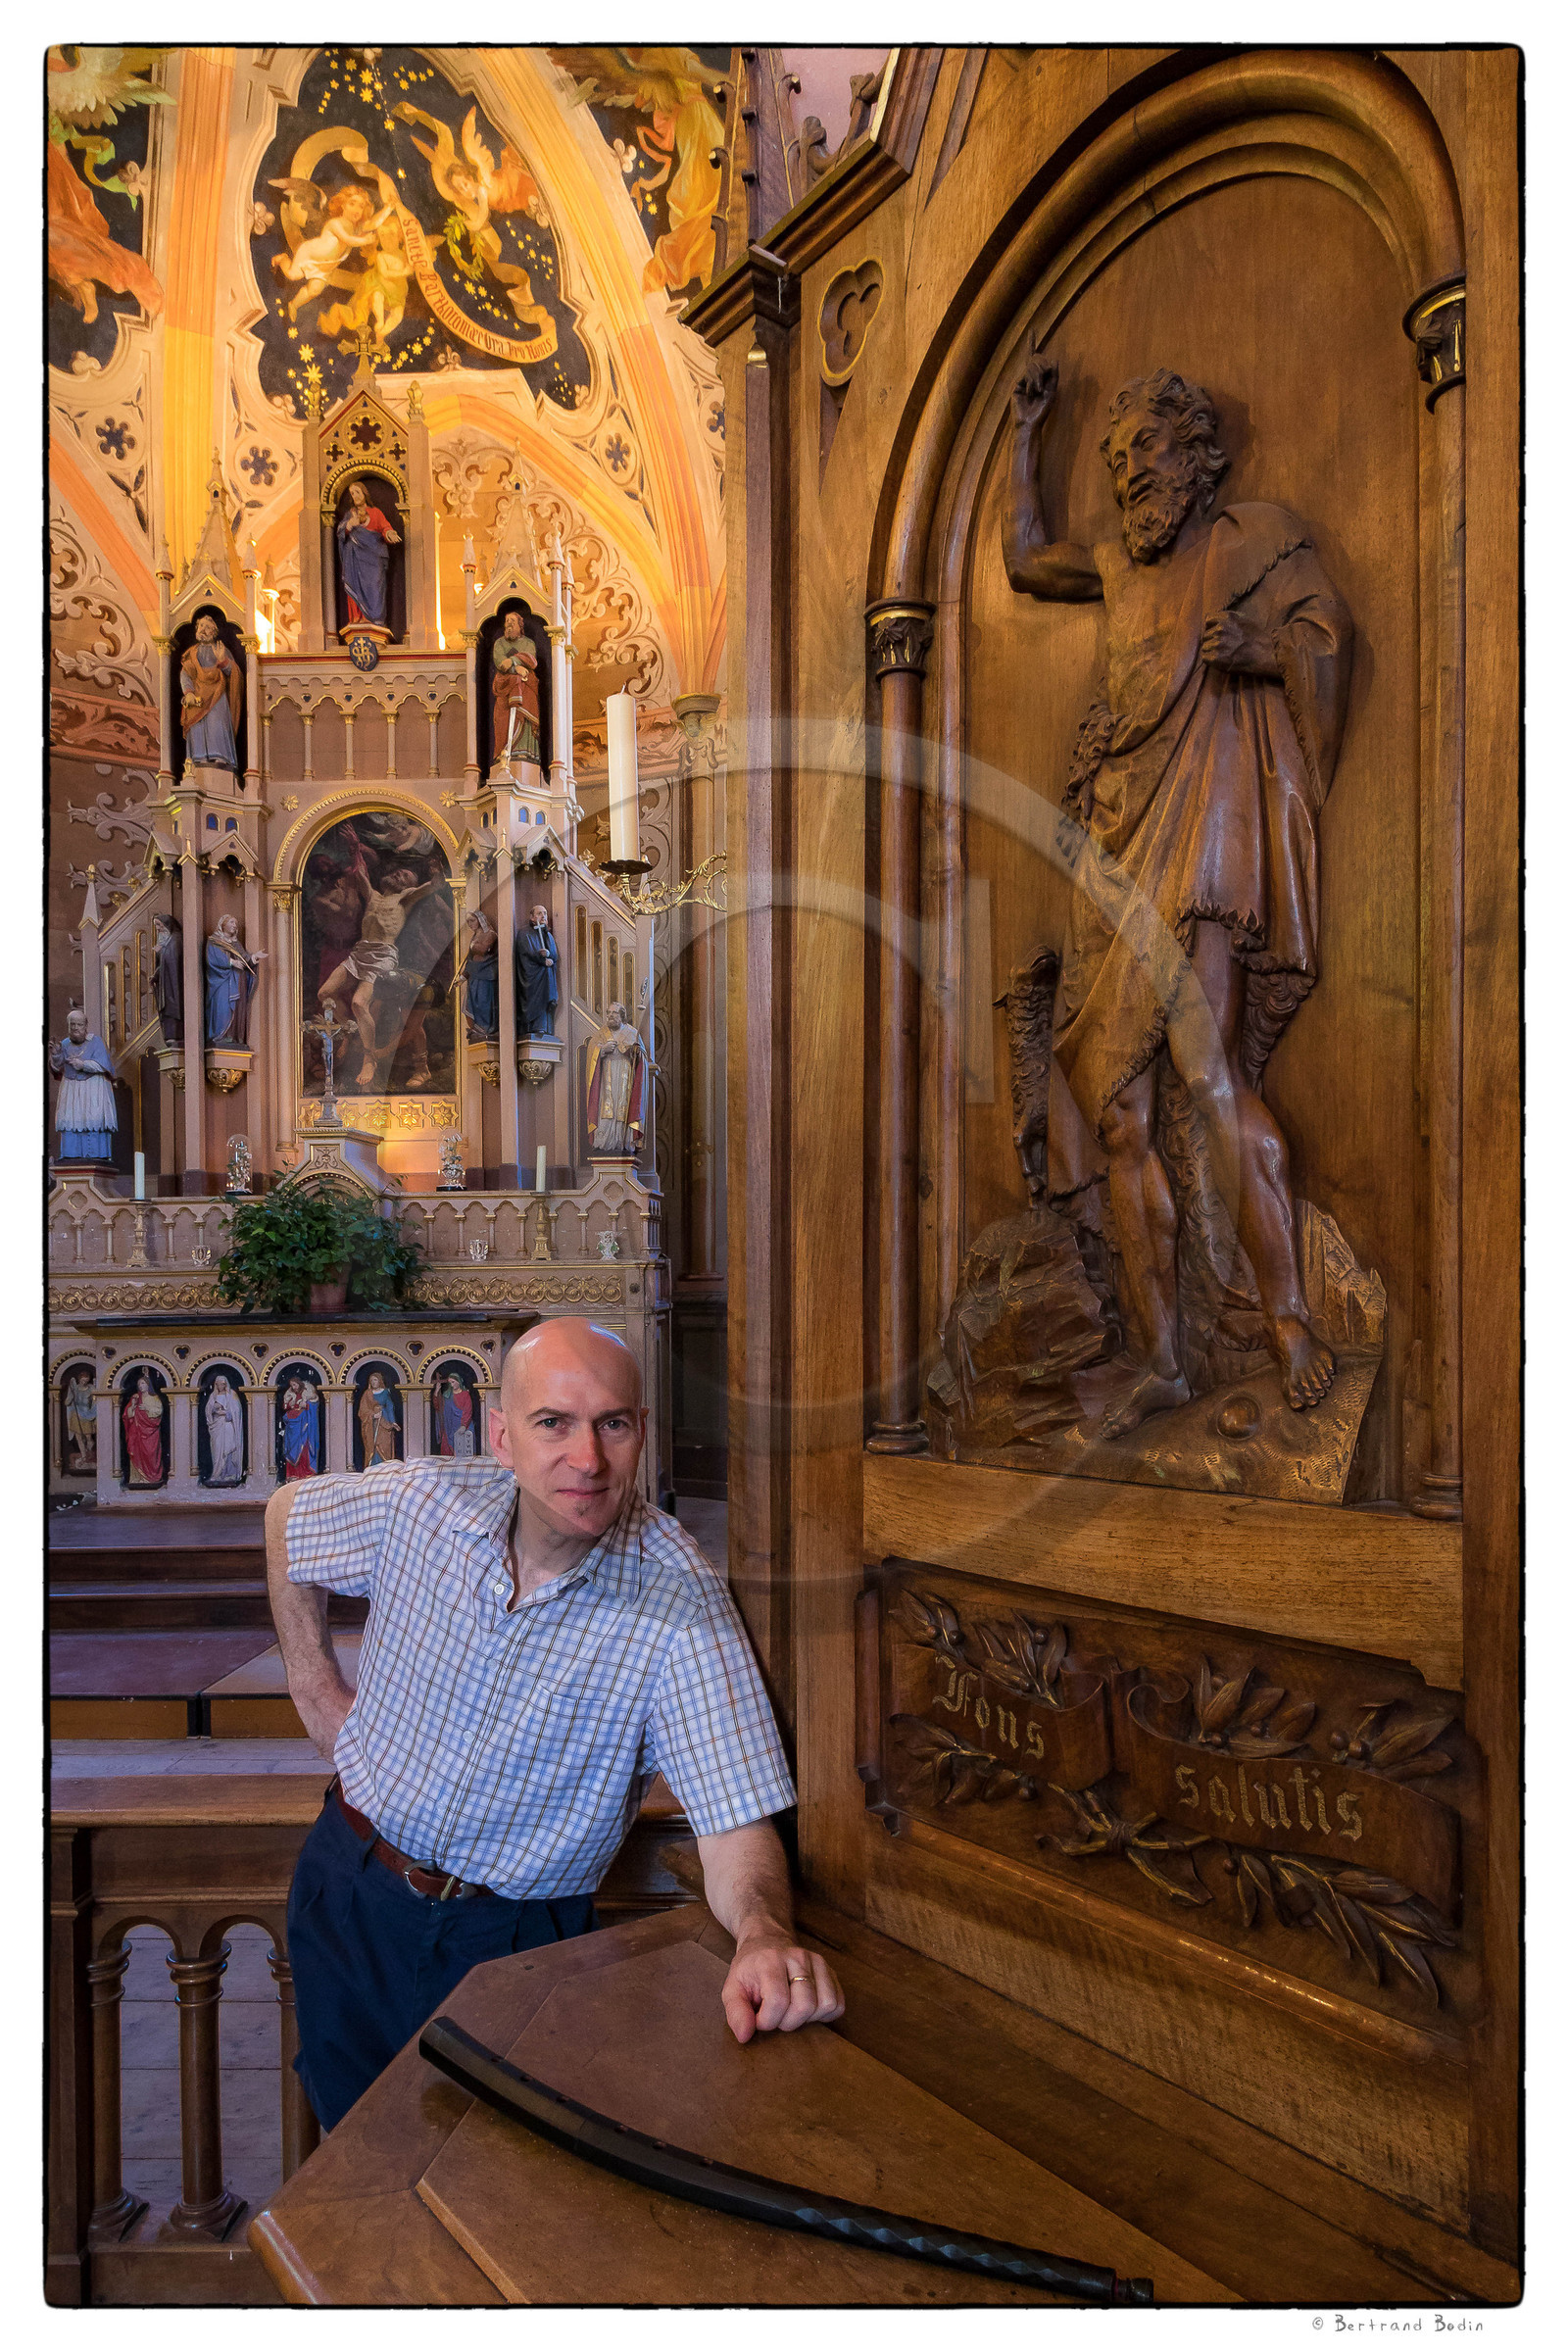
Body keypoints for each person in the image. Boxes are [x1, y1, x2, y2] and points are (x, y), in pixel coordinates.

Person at [268, 1317, 842, 2132]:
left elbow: (734, 1819)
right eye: (554, 1424)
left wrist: (761, 1932)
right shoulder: (420, 1506)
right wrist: (312, 1684)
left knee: (492, 2186)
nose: (588, 1459)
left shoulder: (676, 1598)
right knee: (350, 2150)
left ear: (642, 1432)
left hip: (513, 1943)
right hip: (350, 1887)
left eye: (613, 1423)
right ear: (501, 1437)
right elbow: (289, 1513)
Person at [1004, 360, 1352, 1433]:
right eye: (1114, 462)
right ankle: (1160, 1356)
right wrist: (1025, 437)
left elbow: (1324, 638)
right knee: (1121, 1118)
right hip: (1112, 843)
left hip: (1201, 830)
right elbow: (1024, 561)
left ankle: (1287, 1316)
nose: (1127, 477)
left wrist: (1259, 652)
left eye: (1145, 450)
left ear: (1199, 457)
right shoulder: (1113, 562)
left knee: (1204, 1074)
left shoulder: (1251, 543)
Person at [336, 478, 401, 639]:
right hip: (354, 559)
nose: (355, 496)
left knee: (375, 585)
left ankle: (375, 620)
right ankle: (357, 619)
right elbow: (340, 532)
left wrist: (389, 533)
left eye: (357, 492)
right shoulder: (349, 514)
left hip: (373, 559)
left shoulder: (376, 513)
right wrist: (349, 525)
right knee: (354, 585)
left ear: (364, 493)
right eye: (352, 493)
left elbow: (384, 527)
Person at [50, 1008, 118, 1160]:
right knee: (71, 1119)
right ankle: (71, 1154)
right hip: (71, 1088)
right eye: (72, 1024)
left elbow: (104, 1066)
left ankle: (96, 1155)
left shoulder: (97, 1042)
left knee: (93, 1118)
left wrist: (84, 1065)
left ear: (86, 1026)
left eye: (79, 1024)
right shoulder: (64, 1044)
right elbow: (58, 1067)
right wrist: (55, 1054)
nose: (75, 1028)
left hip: (93, 1087)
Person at [179, 613, 243, 771]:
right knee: (197, 725)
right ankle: (198, 760)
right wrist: (188, 692)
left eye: (208, 628)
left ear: (214, 632)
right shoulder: (192, 652)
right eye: (201, 626)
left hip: (217, 696)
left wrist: (223, 662)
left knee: (217, 723)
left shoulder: (221, 650)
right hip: (197, 697)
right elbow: (185, 673)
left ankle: (219, 757)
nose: (204, 630)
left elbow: (235, 675)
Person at [585, 1002, 647, 1157]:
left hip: (625, 1078)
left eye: (615, 1013)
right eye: (609, 1013)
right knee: (606, 1108)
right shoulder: (600, 1034)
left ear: (622, 1016)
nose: (611, 1016)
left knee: (623, 1108)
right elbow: (592, 1055)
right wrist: (601, 1050)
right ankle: (604, 1143)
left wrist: (636, 1053)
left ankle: (623, 1142)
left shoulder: (632, 1033)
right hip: (606, 1078)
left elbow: (642, 1060)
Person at [205, 913, 266, 1048]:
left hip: (238, 981)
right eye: (232, 922)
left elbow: (244, 958)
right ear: (223, 924)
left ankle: (234, 1035)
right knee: (223, 1006)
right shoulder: (214, 941)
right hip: (222, 982)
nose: (234, 926)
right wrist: (231, 962)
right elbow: (212, 959)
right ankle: (221, 1035)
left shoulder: (236, 944)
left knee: (238, 1007)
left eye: (236, 924)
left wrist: (254, 957)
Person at [491, 610, 541, 767]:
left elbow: (531, 661)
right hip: (504, 687)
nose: (509, 625)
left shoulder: (528, 643)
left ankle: (525, 752)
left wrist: (512, 661)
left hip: (526, 687)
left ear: (520, 625)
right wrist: (516, 669)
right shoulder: (499, 643)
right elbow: (500, 663)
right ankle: (504, 754)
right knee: (502, 719)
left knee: (524, 715)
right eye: (507, 622)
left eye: (513, 622)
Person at [515, 903, 559, 1038]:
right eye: (539, 913)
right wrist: (540, 957)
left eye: (545, 913)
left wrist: (550, 957)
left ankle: (543, 1027)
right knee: (534, 999)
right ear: (532, 917)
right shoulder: (524, 933)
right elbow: (525, 951)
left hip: (545, 976)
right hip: (532, 976)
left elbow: (554, 955)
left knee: (546, 998)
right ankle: (532, 1026)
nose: (543, 916)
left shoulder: (548, 935)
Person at [122, 1373, 165, 1488]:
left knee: (151, 1454)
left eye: (143, 1383)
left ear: (148, 1385)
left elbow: (159, 1412)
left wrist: (147, 1408)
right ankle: (137, 1478)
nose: (141, 1386)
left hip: (150, 1432)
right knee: (136, 1452)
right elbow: (127, 1415)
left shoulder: (154, 1398)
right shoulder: (135, 1398)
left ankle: (151, 1477)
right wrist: (133, 1407)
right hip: (136, 1432)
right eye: (139, 1384)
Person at [205, 1374, 245, 1485]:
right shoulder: (213, 1396)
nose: (221, 1386)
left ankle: (230, 1474)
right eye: (219, 1384)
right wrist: (214, 1409)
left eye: (223, 1384)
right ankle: (217, 1474)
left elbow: (237, 1411)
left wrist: (227, 1413)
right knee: (217, 1450)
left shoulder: (232, 1395)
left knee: (230, 1448)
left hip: (228, 1425)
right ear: (216, 1384)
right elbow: (208, 1411)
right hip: (217, 1426)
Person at [280, 1374, 321, 1480]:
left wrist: (306, 1405)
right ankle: (292, 1474)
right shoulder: (290, 1395)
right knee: (291, 1449)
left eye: (294, 1384)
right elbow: (285, 1406)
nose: (293, 1387)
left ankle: (307, 1472)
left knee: (304, 1449)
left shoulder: (308, 1393)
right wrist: (291, 1404)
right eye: (292, 1385)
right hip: (292, 1426)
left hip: (304, 1425)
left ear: (299, 1383)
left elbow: (313, 1405)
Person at [358, 1370, 400, 1466]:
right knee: (373, 1443)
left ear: (380, 1381)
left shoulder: (385, 1392)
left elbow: (390, 1407)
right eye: (371, 1380)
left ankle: (385, 1467)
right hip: (371, 1424)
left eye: (375, 1380)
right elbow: (362, 1410)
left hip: (384, 1421)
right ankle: (373, 1466)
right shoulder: (367, 1394)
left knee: (384, 1443)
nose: (373, 1382)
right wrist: (372, 1415)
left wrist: (393, 1422)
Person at [436, 1371, 475, 1458]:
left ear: (458, 1381)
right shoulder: (447, 1395)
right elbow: (438, 1406)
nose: (451, 1385)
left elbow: (468, 1411)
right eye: (450, 1383)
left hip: (464, 1425)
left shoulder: (465, 1394)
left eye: (453, 1382)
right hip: (450, 1425)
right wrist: (436, 1391)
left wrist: (464, 1426)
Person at [64, 1370, 97, 1472]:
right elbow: (67, 1403)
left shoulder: (91, 1388)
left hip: (87, 1414)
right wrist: (71, 1396)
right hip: (76, 1415)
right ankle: (83, 1456)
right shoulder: (75, 1388)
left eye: (86, 1381)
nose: (84, 1383)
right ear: (79, 1379)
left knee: (88, 1437)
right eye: (82, 1381)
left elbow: (96, 1401)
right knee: (79, 1437)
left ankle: (89, 1453)